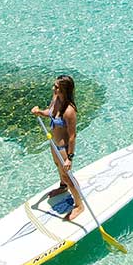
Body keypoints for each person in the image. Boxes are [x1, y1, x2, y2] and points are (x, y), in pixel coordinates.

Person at [31, 75, 83, 221]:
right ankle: (63, 187)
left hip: (63, 149)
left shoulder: (69, 111)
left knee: (67, 175)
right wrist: (39, 112)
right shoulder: (56, 99)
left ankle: (79, 205)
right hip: (54, 144)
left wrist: (69, 158)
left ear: (64, 90)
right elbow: (50, 112)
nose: (53, 88)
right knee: (57, 166)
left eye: (57, 87)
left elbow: (72, 136)